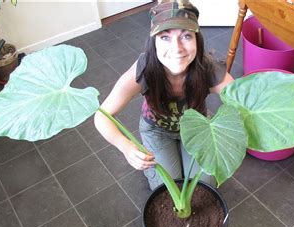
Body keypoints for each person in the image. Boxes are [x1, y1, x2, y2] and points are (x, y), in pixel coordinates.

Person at [94, 0, 233, 190]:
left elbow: (242, 102)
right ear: (154, 42)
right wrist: (125, 146)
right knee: (167, 189)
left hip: (197, 127)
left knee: (204, 186)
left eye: (186, 36)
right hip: (157, 131)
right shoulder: (144, 68)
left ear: (197, 39)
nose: (176, 48)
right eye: (165, 37)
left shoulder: (207, 66)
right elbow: (102, 115)